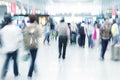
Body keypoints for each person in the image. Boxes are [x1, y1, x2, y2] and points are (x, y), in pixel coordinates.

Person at [0, 13, 23, 79]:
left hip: (7, 48)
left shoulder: (3, 30)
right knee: (15, 61)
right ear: (11, 20)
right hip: (15, 48)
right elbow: (20, 39)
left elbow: (1, 40)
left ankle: (3, 73)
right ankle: (16, 74)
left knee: (7, 61)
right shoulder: (16, 28)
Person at [22, 14, 41, 79]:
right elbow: (40, 35)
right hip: (35, 45)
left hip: (28, 45)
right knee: (33, 60)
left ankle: (35, 70)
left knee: (33, 58)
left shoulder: (26, 27)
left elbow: (24, 37)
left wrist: (25, 46)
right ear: (35, 20)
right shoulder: (37, 27)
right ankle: (29, 75)